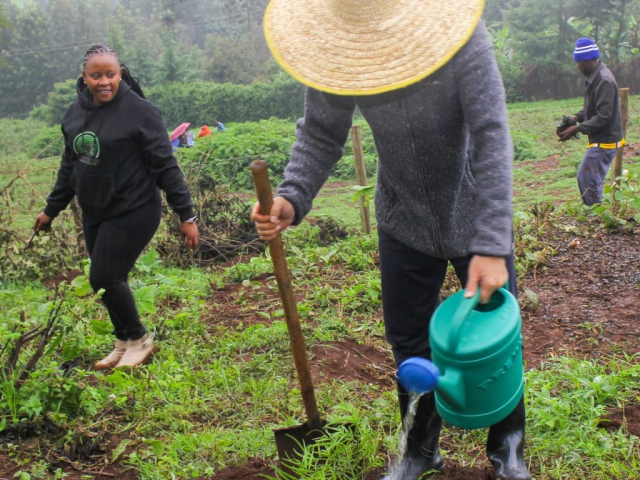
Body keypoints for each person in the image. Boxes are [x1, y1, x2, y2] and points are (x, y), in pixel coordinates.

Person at [252, 1, 531, 479]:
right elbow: (321, 131)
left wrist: (490, 241)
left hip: (474, 209)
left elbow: (491, 133)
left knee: (495, 332)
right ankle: (420, 449)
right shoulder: (337, 45)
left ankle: (507, 449)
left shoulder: (458, 30)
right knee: (408, 337)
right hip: (403, 215)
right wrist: (291, 197)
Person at [34, 45, 199, 369]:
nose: (104, 81)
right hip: (96, 210)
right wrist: (51, 209)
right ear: (85, 77)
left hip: (134, 208)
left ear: (120, 73)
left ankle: (139, 339)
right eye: (96, 75)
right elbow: (70, 166)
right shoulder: (75, 113)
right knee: (103, 279)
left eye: (110, 74)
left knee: (106, 275)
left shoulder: (140, 112)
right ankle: (124, 341)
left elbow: (166, 166)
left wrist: (186, 214)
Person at [557, 38, 625, 206]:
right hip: (600, 139)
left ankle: (596, 215)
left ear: (587, 61)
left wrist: (576, 129)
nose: (577, 66)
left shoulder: (604, 80)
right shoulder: (594, 77)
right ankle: (597, 215)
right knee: (589, 179)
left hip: (606, 141)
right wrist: (575, 118)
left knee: (587, 179)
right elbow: (592, 108)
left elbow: (604, 116)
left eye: (578, 63)